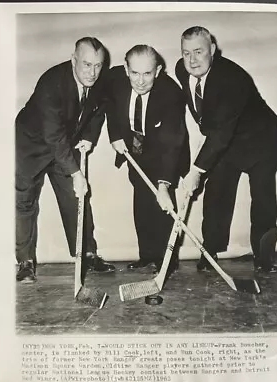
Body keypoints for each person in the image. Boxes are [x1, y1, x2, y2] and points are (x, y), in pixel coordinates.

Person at [175, 26, 277, 273]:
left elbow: (221, 133)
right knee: (217, 192)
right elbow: (208, 121)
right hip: (226, 139)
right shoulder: (183, 70)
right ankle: (210, 254)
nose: (192, 60)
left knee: (263, 197)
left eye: (199, 51)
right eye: (186, 52)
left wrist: (196, 170)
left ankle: (264, 259)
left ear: (213, 49)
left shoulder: (232, 78)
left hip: (260, 139)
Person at [16, 36, 115, 284]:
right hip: (31, 145)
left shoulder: (100, 79)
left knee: (77, 199)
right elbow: (53, 135)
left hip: (63, 143)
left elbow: (100, 108)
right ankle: (25, 262)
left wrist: (90, 137)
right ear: (73, 60)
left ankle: (87, 254)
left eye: (98, 65)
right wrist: (76, 173)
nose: (92, 72)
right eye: (86, 65)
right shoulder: (51, 83)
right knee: (25, 202)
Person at [106, 45, 189, 277]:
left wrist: (164, 184)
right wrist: (115, 136)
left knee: (162, 201)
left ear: (158, 70)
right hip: (135, 146)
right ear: (126, 69)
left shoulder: (171, 94)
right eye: (134, 73)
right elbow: (109, 106)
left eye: (147, 74)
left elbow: (172, 141)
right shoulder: (115, 79)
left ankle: (167, 260)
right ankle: (147, 255)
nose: (140, 81)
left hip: (164, 148)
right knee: (141, 199)